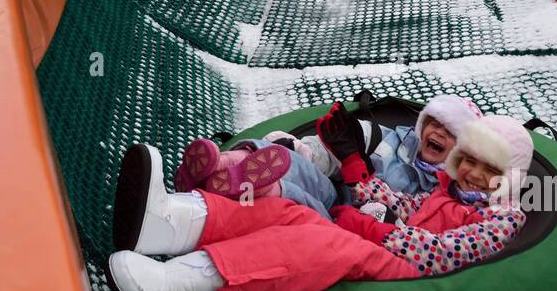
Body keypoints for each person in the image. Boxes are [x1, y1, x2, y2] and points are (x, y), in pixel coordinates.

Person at [106, 114, 533, 291]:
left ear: (508, 176)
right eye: (470, 161)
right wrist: (358, 175)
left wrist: (374, 230)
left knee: (329, 244)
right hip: (391, 248)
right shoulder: (446, 189)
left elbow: (440, 255)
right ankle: (174, 220)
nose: (475, 174)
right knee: (290, 213)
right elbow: (402, 205)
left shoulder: (501, 217)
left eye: (489, 168)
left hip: (419, 278)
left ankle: (181, 289)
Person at [176, 93, 482, 217]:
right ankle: (219, 165)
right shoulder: (389, 141)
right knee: (292, 164)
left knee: (296, 199)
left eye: (450, 132)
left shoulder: (443, 189)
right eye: (434, 123)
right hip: (336, 192)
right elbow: (339, 146)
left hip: (348, 221)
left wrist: (358, 171)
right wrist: (303, 150)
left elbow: (409, 217)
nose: (438, 133)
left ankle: (224, 190)